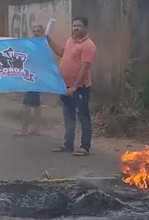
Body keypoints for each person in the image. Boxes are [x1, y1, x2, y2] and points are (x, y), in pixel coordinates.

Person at [49, 17, 96, 156]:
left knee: (83, 116)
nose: (75, 28)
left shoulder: (88, 45)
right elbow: (62, 53)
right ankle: (68, 144)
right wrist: (49, 40)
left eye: (79, 26)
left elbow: (84, 68)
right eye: (74, 26)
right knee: (68, 116)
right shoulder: (71, 41)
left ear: (86, 28)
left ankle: (84, 147)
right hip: (64, 86)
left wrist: (75, 87)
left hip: (80, 88)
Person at [15, 23, 45, 136]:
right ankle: (36, 128)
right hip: (30, 75)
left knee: (27, 103)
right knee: (36, 104)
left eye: (38, 31)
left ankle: (24, 128)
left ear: (42, 33)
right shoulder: (31, 45)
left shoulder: (42, 46)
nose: (36, 33)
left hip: (36, 77)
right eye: (34, 31)